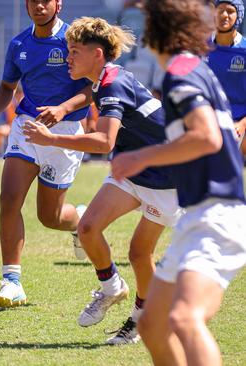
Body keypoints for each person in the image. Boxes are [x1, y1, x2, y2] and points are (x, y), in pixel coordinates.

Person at [24, 17, 182, 345]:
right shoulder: (105, 79)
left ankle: (142, 318)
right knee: (87, 228)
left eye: (75, 51)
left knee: (140, 253)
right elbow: (89, 96)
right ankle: (112, 288)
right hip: (133, 170)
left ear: (97, 54)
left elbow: (105, 142)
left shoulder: (113, 84)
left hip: (167, 178)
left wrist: (51, 140)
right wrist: (65, 108)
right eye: (68, 50)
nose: (68, 56)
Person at [112, 0, 246, 364]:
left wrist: (140, 156)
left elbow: (207, 137)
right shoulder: (193, 67)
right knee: (153, 325)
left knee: (184, 319)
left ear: (157, 31)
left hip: (216, 215)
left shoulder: (180, 73)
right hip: (198, 214)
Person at [0, 0, 92, 308]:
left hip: (64, 134)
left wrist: (63, 108)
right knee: (9, 198)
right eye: (32, 0)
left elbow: (95, 88)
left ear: (58, 4)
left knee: (49, 217)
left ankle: (79, 221)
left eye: (45, 0)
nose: (38, 5)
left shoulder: (75, 41)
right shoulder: (18, 43)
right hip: (26, 127)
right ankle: (12, 281)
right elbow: (8, 86)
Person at [207, 0, 246, 154]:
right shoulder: (200, 48)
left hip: (239, 125)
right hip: (207, 122)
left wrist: (243, 124)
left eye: (230, 11)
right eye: (220, 10)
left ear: (239, 15)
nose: (224, 15)